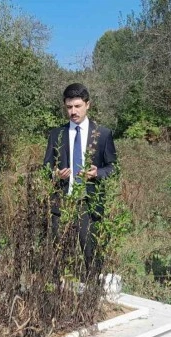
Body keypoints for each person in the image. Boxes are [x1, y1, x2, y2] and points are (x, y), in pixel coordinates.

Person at [43, 83, 117, 272]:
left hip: (88, 201)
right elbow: (45, 167)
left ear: (87, 104)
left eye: (77, 106)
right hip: (61, 200)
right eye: (69, 107)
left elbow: (113, 168)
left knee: (89, 249)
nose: (73, 112)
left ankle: (93, 290)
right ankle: (59, 291)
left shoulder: (102, 134)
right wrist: (55, 174)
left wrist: (97, 173)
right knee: (58, 249)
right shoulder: (56, 134)